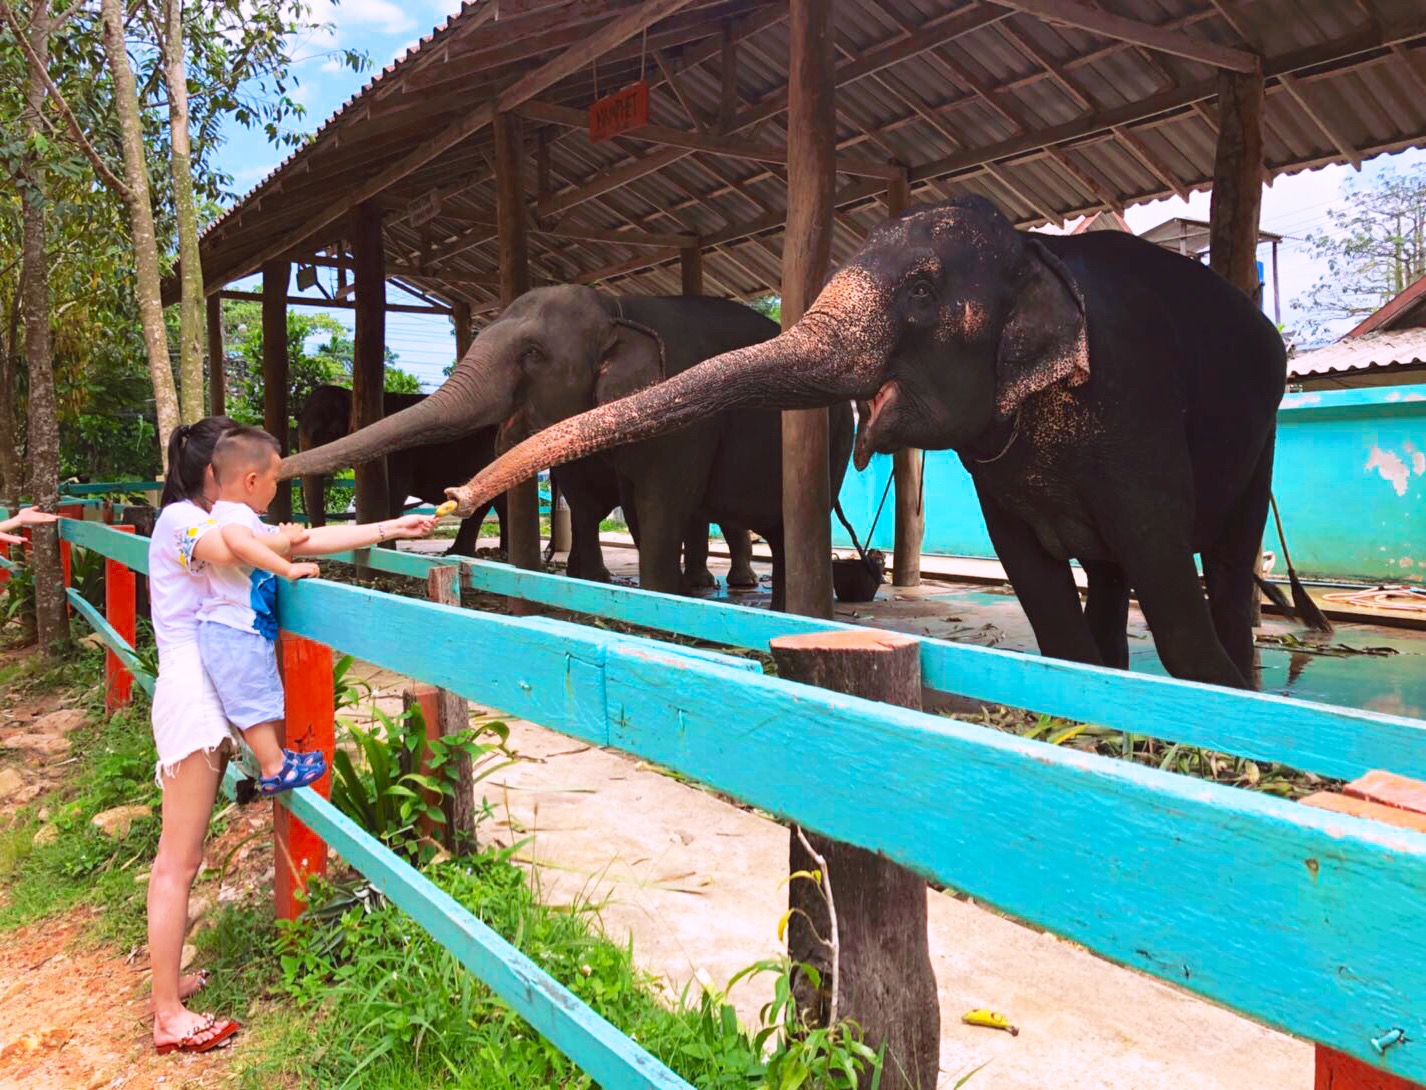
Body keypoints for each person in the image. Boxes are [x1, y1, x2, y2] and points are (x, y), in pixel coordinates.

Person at [146, 417, 435, 1054]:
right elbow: (233, 548)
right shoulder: (185, 522)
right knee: (180, 859)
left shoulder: (227, 517)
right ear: (216, 473)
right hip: (195, 701)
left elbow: (302, 539)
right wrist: (279, 546)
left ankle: (170, 987)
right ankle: (166, 1014)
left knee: (183, 856)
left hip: (211, 698)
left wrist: (389, 527)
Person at [194, 427, 326, 795]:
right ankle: (274, 767)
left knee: (259, 694)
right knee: (251, 700)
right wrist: (287, 568)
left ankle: (279, 760)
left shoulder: (230, 512)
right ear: (252, 480)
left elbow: (257, 543)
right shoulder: (234, 517)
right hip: (234, 628)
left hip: (238, 627)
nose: (276, 488)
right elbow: (239, 544)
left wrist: (283, 538)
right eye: (275, 480)